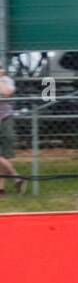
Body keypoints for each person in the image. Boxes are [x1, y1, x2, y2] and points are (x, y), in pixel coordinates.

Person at [0, 67, 25, 196]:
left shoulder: (7, 80)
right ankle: (16, 176)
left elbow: (7, 93)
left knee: (6, 154)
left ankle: (1, 188)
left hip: (5, 119)